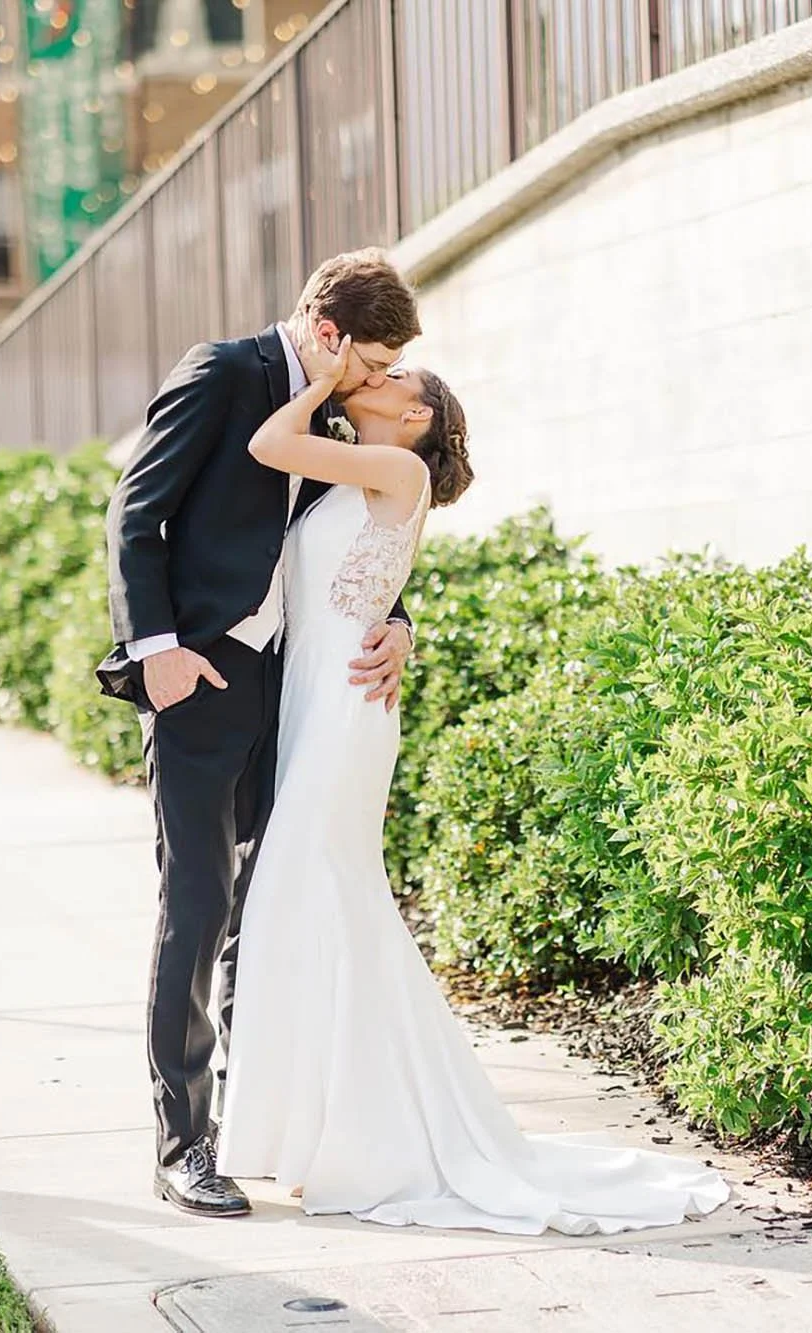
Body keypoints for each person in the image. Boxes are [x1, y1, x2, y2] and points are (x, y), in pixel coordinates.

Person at [214, 330, 730, 1236]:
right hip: (314, 702)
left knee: (318, 892)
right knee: (306, 899)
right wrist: (399, 625)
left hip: (344, 712)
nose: (372, 377)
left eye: (392, 376)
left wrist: (330, 376)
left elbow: (266, 443)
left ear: (414, 416)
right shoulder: (354, 473)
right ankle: (316, 1127)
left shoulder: (394, 471)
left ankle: (368, 1136)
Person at [99, 249, 420, 1218]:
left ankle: (254, 1122)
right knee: (197, 902)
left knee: (266, 906)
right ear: (328, 335)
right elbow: (134, 512)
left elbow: (371, 541)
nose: (374, 384)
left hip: (297, 692)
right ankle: (182, 1143)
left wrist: (400, 625)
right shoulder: (222, 372)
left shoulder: (332, 413)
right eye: (369, 363)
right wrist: (154, 650)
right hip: (200, 678)